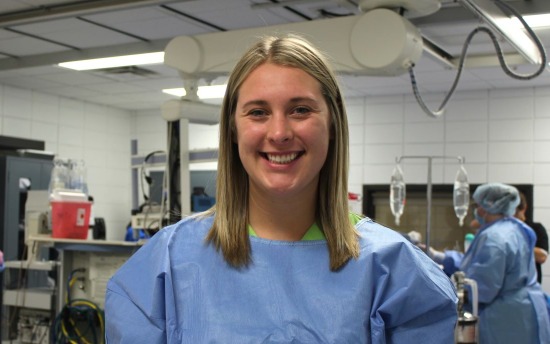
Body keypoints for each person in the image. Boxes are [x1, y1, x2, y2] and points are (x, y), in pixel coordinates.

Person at [104, 34, 457, 343]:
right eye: (258, 112)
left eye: (300, 110)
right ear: (233, 130)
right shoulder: (167, 264)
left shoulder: (391, 270)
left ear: (332, 126)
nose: (278, 133)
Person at [432, 183, 550, 343]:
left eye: (478, 205)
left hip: (508, 319)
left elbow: (482, 287)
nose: (476, 210)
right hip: (525, 311)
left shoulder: (495, 238)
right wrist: (442, 257)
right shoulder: (512, 229)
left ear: (487, 206)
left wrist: (448, 293)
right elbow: (477, 264)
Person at [515, 191, 548, 284]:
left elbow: (542, 257)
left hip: (530, 286)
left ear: (524, 208)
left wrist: (515, 244)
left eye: (515, 211)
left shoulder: (536, 228)